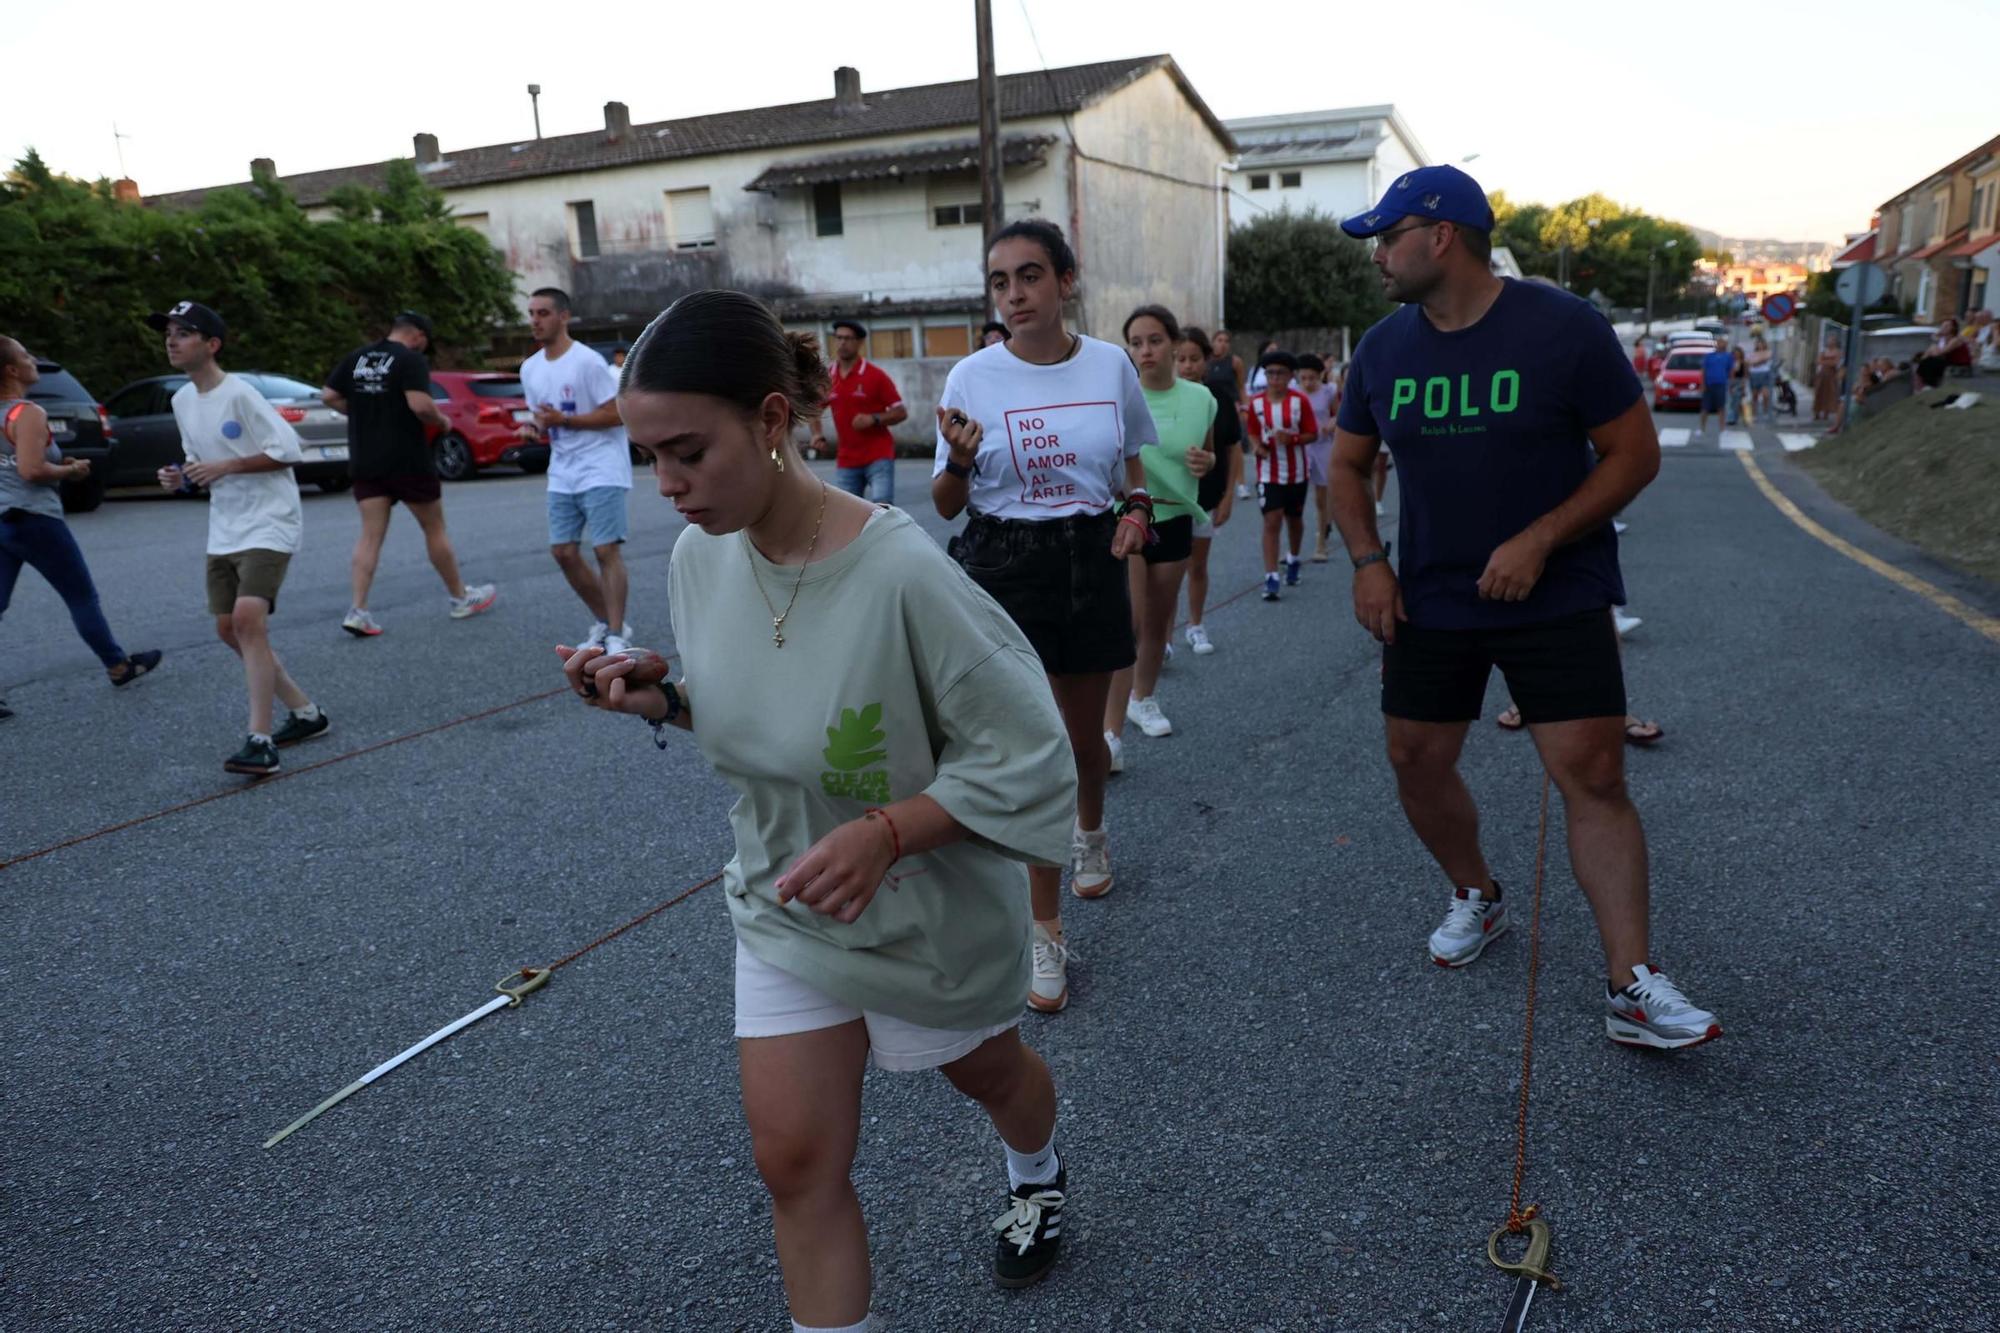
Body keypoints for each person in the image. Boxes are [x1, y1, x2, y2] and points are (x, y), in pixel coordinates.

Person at [567, 290, 1079, 1326]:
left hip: (921, 913)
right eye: (646, 458)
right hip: (785, 899)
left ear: (768, 421)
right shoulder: (697, 556)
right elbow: (761, 710)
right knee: (794, 1162)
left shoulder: (902, 574)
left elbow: (1030, 752)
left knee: (990, 1074)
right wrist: (657, 696)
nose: (665, 486)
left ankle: (1037, 1167)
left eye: (686, 452)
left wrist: (890, 827)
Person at [1329, 164, 1722, 1050]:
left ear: (1440, 236)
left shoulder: (1563, 327)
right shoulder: (1384, 348)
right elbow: (1347, 466)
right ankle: (1477, 891)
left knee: (1594, 773)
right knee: (1415, 759)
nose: (1378, 257)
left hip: (1559, 588)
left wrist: (1542, 537)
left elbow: (1633, 454)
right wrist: (1366, 561)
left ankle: (1631, 984)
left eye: (1388, 238)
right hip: (1431, 593)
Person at [931, 218, 1152, 1014]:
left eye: (1029, 276)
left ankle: (1089, 828)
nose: (1015, 294)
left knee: (1084, 741)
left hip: (1090, 558)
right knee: (1033, 747)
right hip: (1002, 562)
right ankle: (1044, 930)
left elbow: (1133, 470)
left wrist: (1136, 514)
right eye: (1000, 281)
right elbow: (948, 501)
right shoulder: (972, 378)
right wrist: (958, 458)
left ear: (1065, 279)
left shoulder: (1110, 364)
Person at [147, 301, 328, 775]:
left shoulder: (241, 394)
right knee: (229, 629)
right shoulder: (181, 400)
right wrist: (179, 477)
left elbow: (288, 450)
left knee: (249, 621)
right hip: (225, 524)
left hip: (271, 520)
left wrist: (226, 465)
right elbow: (197, 462)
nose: (171, 340)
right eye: (168, 332)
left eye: (183, 332)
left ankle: (260, 740)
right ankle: (306, 713)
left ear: (211, 345)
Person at [1, 334, 163, 717]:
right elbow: (31, 470)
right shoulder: (27, 414)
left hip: (3, 520)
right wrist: (70, 469)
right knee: (80, 597)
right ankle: (119, 666)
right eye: (26, 356)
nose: (34, 361)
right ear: (11, 370)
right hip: (35, 519)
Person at [323, 312, 496, 637]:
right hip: (407, 459)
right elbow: (419, 405)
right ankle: (460, 598)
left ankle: (358, 610)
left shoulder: (357, 358)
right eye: (424, 341)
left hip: (366, 459)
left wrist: (360, 409)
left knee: (370, 536)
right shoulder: (409, 359)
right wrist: (442, 422)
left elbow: (329, 396)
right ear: (417, 335)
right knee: (434, 529)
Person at [1103, 304, 1215, 759]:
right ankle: (1110, 737)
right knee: (1128, 621)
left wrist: (1207, 464)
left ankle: (1142, 699)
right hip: (1127, 516)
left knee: (1156, 622)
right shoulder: (1118, 396)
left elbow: (1207, 456)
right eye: (1135, 343)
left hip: (1176, 518)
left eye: (1154, 340)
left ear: (1173, 343)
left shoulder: (1202, 399)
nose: (1145, 351)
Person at [517, 288, 634, 656]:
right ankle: (607, 621)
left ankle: (616, 635)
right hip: (563, 470)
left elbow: (616, 413)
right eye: (532, 313)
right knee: (563, 552)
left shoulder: (587, 362)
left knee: (605, 551)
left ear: (564, 316)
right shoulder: (530, 368)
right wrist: (535, 428)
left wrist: (565, 419)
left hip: (601, 466)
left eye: (543, 313)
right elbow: (542, 415)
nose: (535, 320)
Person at [1180, 325, 1239, 656]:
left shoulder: (1218, 397)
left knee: (1197, 565)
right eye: (1181, 359)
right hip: (1167, 498)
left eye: (1194, 359)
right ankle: (1157, 636)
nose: (1187, 366)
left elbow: (1232, 449)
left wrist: (1229, 495)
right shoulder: (1158, 395)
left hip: (1205, 497)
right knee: (1163, 571)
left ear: (1207, 359)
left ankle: (1195, 624)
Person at [809, 320, 907, 504]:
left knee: (883, 509)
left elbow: (900, 412)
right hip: (846, 459)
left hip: (879, 455)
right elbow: (813, 407)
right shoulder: (828, 377)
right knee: (848, 513)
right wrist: (817, 434)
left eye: (848, 338)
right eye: (838, 338)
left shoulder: (875, 376)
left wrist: (874, 418)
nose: (842, 343)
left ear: (860, 342)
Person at [1246, 349, 1318, 601]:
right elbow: (1252, 432)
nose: (1274, 378)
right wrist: (1256, 447)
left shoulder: (1300, 402)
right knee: (1271, 520)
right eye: (1270, 373)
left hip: (1297, 473)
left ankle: (1294, 558)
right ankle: (1271, 576)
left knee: (1294, 520)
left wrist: (1293, 438)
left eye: (1280, 373)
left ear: (1290, 376)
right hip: (1268, 474)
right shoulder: (1256, 404)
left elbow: (1313, 433)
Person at [1296, 353, 1340, 562]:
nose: (1307, 382)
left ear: (1320, 375)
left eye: (1312, 378)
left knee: (1321, 499)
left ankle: (1321, 542)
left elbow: (1339, 413)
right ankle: (1293, 550)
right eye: (1303, 378)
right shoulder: (1293, 393)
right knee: (1295, 498)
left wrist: (1332, 422)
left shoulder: (1328, 392)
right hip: (1300, 447)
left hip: (1322, 447)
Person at [1208, 328, 1251, 500]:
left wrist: (1245, 408)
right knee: (1216, 448)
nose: (1223, 344)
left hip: (1231, 409)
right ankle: (1221, 483)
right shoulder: (1206, 362)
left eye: (1226, 341)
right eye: (1219, 340)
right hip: (1211, 409)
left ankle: (1241, 484)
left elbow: (1241, 387)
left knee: (1235, 447)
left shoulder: (1235, 362)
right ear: (1213, 342)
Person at [1913, 317, 1971, 389]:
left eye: (1946, 326)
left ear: (1953, 328)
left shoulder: (1955, 340)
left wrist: (1935, 341)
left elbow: (1941, 353)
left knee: (1932, 356)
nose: (1943, 328)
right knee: (1928, 361)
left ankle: (1928, 384)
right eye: (1942, 326)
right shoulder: (1944, 339)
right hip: (1948, 362)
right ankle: (1924, 383)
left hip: (1960, 365)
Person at [1698, 334, 1732, 436]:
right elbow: (1703, 371)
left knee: (1721, 407)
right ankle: (1702, 429)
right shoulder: (1709, 356)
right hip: (1709, 384)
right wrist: (1703, 384)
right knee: (1705, 408)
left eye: (1722, 342)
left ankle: (1722, 429)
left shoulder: (1728, 357)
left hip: (1721, 384)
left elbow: (1730, 371)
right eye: (1719, 342)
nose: (1720, 344)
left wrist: (1730, 385)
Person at [1812, 334, 1843, 422]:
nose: (1831, 342)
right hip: (1822, 374)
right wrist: (1828, 362)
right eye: (1830, 340)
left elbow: (1835, 363)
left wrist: (1825, 361)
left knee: (1829, 393)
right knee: (1819, 392)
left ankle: (1826, 413)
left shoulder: (1837, 352)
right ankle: (1816, 412)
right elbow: (1818, 361)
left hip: (1831, 375)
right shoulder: (1824, 351)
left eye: (1833, 340)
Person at [1748, 333, 1774, 416]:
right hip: (1754, 375)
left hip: (1764, 374)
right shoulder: (1752, 353)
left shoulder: (1768, 352)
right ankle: (1754, 413)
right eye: (1758, 344)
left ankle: (1765, 411)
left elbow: (1766, 358)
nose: (1760, 345)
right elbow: (1750, 363)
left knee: (1765, 394)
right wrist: (1760, 360)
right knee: (1754, 395)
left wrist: (1757, 361)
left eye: (1762, 344)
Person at [1726, 344, 1751, 426]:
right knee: (1730, 402)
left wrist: (1744, 385)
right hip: (1731, 382)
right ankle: (1730, 418)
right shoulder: (1731, 362)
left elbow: (1745, 375)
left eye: (1738, 353)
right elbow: (1730, 374)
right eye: (1735, 354)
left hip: (1739, 383)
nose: (1736, 355)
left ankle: (1736, 418)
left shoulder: (1744, 362)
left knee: (1737, 402)